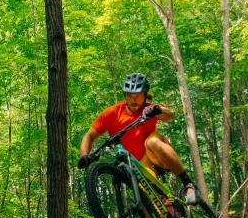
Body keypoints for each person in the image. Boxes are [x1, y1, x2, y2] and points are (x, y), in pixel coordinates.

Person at [77, 72, 201, 204]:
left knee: (152, 141)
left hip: (156, 154)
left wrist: (157, 109)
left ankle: (188, 184)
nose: (133, 99)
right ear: (125, 95)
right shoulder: (112, 113)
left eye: (138, 95)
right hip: (140, 166)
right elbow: (89, 135)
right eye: (130, 95)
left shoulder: (149, 109)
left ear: (145, 94)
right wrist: (84, 154)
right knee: (151, 201)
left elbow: (169, 116)